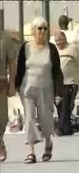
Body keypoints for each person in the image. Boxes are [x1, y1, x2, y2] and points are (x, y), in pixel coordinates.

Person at [15, 17, 63, 164]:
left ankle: (48, 142)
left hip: (46, 88)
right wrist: (16, 86)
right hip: (27, 88)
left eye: (44, 28)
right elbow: (20, 69)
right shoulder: (26, 47)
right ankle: (31, 152)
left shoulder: (51, 49)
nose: (42, 31)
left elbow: (57, 72)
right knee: (29, 119)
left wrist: (58, 93)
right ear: (33, 31)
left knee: (46, 118)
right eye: (39, 28)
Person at [54, 31, 79, 136]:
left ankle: (60, 129)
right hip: (57, 84)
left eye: (60, 40)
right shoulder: (54, 50)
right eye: (57, 41)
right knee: (59, 106)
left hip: (70, 82)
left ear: (65, 39)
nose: (58, 43)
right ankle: (67, 128)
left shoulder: (73, 49)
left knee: (66, 106)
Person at [0, 33, 17, 162]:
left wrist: (12, 84)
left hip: (1, 83)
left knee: (3, 119)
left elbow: (12, 62)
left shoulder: (5, 39)